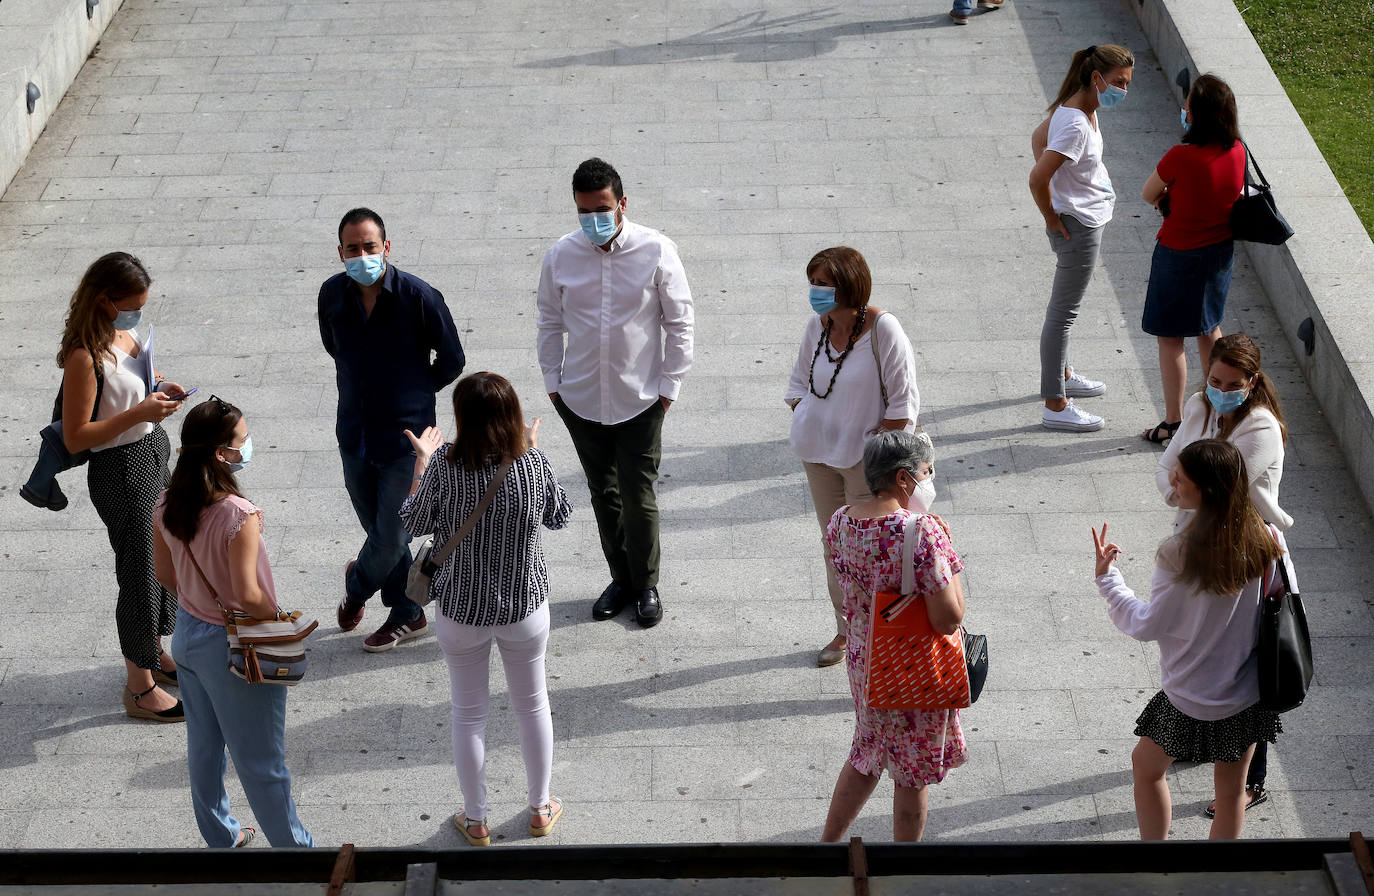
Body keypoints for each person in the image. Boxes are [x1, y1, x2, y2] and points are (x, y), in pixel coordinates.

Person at [399, 372, 572, 847]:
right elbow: (560, 516)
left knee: (468, 714)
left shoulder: (444, 468)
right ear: (514, 415)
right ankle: (540, 808)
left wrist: (422, 463)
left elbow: (410, 521)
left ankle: (476, 820)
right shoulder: (532, 464)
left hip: (461, 609)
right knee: (533, 705)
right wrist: (532, 451)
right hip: (524, 605)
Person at [1093, 438, 1285, 840]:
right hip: (1245, 694)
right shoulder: (1268, 540)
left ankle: (1156, 866)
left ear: (1207, 490)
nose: (1172, 485)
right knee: (1231, 795)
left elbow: (1147, 624)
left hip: (1188, 693)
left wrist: (1108, 578)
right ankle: (1213, 882)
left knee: (1146, 771)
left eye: (1180, 480)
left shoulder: (1180, 551)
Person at [536, 157, 694, 629]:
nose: (593, 221)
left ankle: (646, 583)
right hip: (580, 399)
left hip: (641, 398)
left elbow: (680, 321)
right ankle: (619, 578)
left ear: (622, 203)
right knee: (603, 493)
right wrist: (553, 384)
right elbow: (549, 320)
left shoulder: (656, 250)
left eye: (602, 209)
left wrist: (669, 387)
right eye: (584, 212)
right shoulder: (561, 255)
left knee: (637, 491)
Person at [152, 397, 314, 848]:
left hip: (187, 637)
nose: (248, 445)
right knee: (262, 761)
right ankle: (295, 851)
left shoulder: (166, 502)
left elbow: (165, 575)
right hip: (233, 645)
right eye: (243, 439)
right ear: (222, 453)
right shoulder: (238, 515)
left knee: (205, 746)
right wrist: (278, 618)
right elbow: (247, 594)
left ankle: (222, 837)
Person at [319, 207, 465, 652]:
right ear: (340, 252)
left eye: (369, 246)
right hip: (355, 436)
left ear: (386, 248)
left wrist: (416, 392)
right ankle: (409, 610)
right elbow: (333, 347)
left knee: (391, 535)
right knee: (381, 533)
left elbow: (453, 358)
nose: (361, 255)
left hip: (407, 443)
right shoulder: (331, 295)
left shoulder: (418, 297)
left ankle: (358, 587)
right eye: (352, 248)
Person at [1156, 333, 1290, 813]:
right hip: (1199, 545)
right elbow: (1170, 467)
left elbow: (1219, 492)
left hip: (1245, 556)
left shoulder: (1261, 429)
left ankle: (1249, 780)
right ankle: (1197, 735)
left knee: (1246, 659)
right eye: (1213, 379)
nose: (1218, 389)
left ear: (1251, 382)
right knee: (1201, 643)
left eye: (1231, 383)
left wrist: (1182, 486)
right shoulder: (1199, 407)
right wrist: (1180, 486)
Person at [54, 252, 188, 722]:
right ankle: (139, 687)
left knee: (160, 562)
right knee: (138, 575)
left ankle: (153, 651)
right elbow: (77, 436)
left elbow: (134, 382)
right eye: (131, 304)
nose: (137, 313)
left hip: (151, 455)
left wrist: (162, 387)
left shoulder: (124, 334)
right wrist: (140, 413)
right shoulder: (83, 357)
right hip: (120, 469)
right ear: (106, 301)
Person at [820, 431, 967, 843]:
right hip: (912, 667)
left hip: (867, 662)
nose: (930, 478)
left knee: (866, 753)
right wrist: (948, 552)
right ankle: (904, 866)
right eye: (926, 471)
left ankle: (826, 847)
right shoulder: (922, 532)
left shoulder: (841, 521)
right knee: (912, 772)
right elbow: (948, 618)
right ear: (904, 479)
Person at [784, 247, 920, 667]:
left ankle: (885, 637)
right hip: (819, 458)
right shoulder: (817, 326)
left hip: (867, 466)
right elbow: (797, 383)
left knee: (878, 555)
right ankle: (846, 633)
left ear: (849, 285)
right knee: (836, 548)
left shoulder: (884, 330)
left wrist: (872, 449)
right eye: (814, 281)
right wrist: (813, 417)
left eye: (824, 283)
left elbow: (903, 406)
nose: (816, 291)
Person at [1028, 44, 1135, 433]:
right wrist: (1052, 214)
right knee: (1063, 313)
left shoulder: (1077, 109)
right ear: (1097, 78)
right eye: (1119, 82)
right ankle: (1055, 404)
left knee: (1065, 311)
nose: (1124, 90)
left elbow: (1038, 138)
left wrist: (1062, 188)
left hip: (1084, 216)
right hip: (1079, 226)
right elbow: (1037, 176)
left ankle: (1064, 373)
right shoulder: (1075, 122)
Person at [1140, 74, 1247, 444]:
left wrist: (1172, 193)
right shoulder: (1237, 151)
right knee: (1209, 329)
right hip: (1218, 254)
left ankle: (1174, 421)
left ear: (1197, 115)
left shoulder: (1180, 156)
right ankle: (1218, 413)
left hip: (1178, 254)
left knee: (1170, 338)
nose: (1183, 112)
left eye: (1187, 108)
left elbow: (1148, 192)